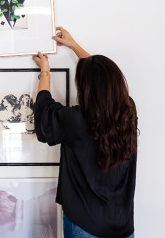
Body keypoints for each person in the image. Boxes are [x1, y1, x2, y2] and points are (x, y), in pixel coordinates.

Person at [32, 27, 137, 238]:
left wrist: (44, 71)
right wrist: (74, 46)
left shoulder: (78, 119)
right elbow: (102, 77)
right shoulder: (128, 111)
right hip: (122, 225)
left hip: (85, 224)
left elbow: (44, 112)